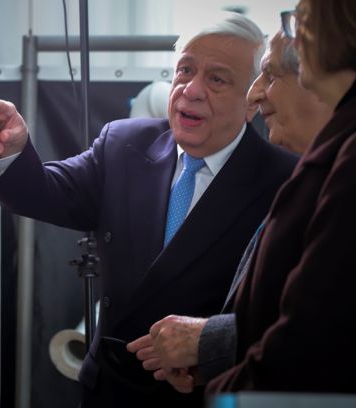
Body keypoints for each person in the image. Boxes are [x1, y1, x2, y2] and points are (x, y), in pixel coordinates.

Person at [0, 12, 297, 407]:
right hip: (113, 389)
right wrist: (13, 150)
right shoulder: (125, 145)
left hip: (206, 393)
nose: (191, 90)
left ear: (251, 102)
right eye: (185, 70)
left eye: (217, 79)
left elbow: (288, 314)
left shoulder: (285, 180)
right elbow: (44, 191)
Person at [205, 0, 356, 395]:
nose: (296, 30)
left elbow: (308, 357)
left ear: (341, 20)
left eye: (303, 10)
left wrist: (221, 396)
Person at [127, 30, 332, 394]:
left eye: (270, 76)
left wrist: (208, 343)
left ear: (322, 81)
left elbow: (331, 328)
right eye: (184, 70)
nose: (258, 93)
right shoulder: (122, 145)